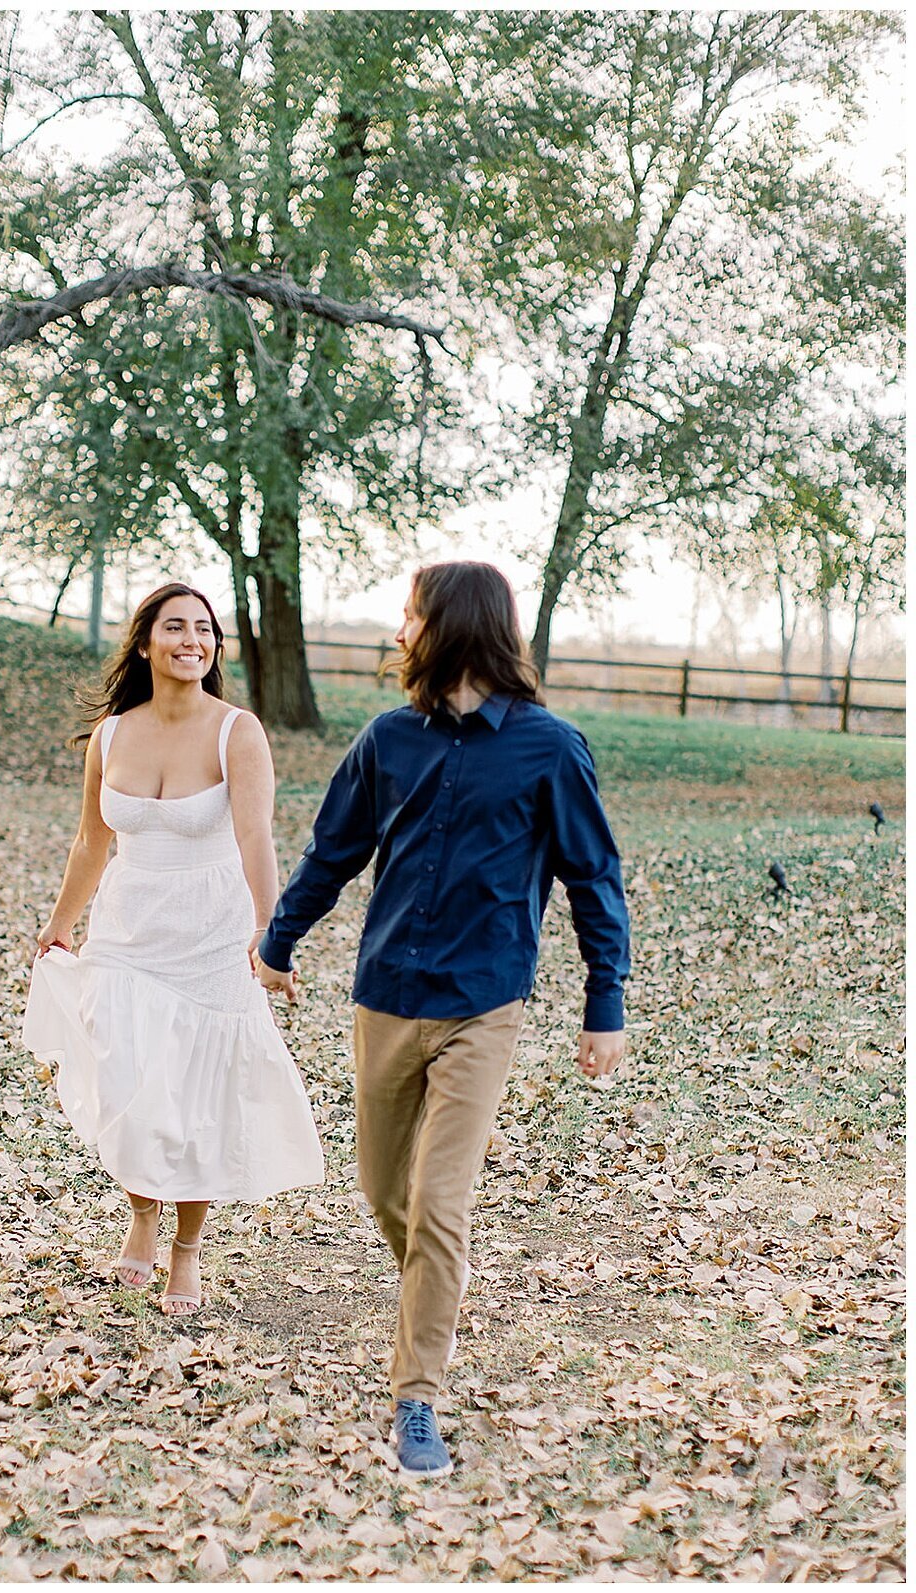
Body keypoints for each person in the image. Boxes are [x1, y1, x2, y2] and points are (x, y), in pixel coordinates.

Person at [254, 561, 630, 1479]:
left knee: (437, 1201)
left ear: (451, 626)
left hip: (482, 1005)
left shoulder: (550, 748)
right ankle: (437, 1285)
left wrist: (603, 1003)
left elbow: (594, 880)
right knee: (385, 1193)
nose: (399, 631)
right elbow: (332, 851)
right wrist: (278, 942)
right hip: (386, 995)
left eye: (411, 615)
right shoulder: (388, 740)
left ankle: (415, 1396)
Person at [23, 582, 323, 1316]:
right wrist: (61, 922)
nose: (193, 639)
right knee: (128, 1081)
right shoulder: (113, 734)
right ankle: (142, 1208)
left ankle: (185, 1248)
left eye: (204, 629)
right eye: (176, 627)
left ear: (214, 646)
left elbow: (256, 835)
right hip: (128, 932)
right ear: (147, 641)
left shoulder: (237, 731)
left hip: (212, 935)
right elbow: (94, 839)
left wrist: (269, 931)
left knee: (195, 1099)